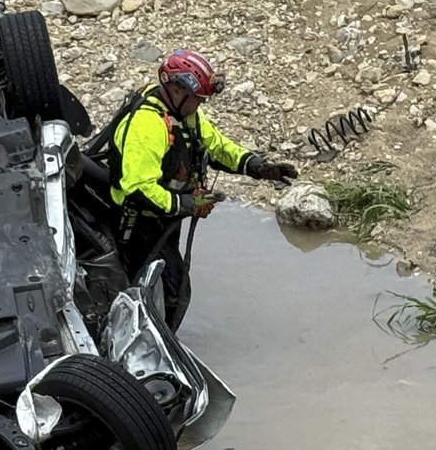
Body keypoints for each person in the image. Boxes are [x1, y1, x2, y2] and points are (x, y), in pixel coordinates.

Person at [100, 49, 297, 319]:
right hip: (140, 228)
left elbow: (215, 146)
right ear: (177, 90)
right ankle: (154, 343)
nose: (200, 106)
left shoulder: (183, 115)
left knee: (168, 287)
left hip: (164, 218)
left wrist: (257, 167)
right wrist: (187, 203)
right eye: (197, 99)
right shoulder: (147, 124)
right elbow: (137, 188)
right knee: (174, 291)